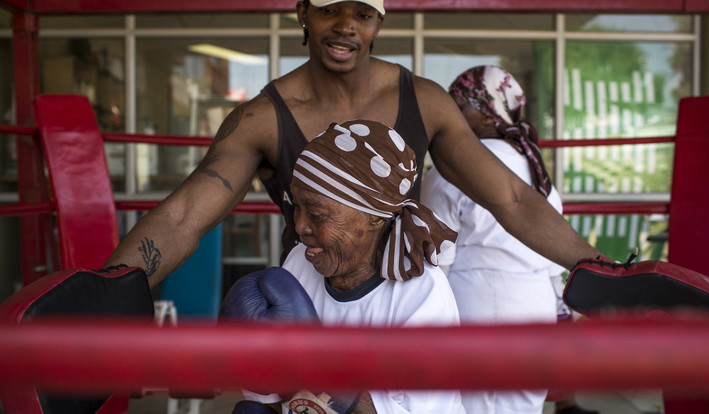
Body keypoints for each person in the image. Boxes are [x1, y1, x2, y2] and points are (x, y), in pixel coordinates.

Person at [101, 0, 601, 287]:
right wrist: (107, 292)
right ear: (302, 14)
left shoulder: (423, 101)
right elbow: (183, 215)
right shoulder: (263, 118)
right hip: (312, 301)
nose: (346, 25)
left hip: (407, 302)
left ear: (378, 23)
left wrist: (597, 268)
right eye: (330, 10)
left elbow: (510, 197)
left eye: (362, 13)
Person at [221, 119, 465, 413]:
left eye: (317, 214)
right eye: (297, 208)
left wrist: (322, 374)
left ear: (375, 217)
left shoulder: (422, 293)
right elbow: (282, 395)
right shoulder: (300, 263)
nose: (299, 226)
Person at [420, 65, 597, 414]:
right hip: (535, 306)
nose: (451, 114)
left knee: (470, 406)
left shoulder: (451, 167)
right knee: (522, 406)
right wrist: (560, 311)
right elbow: (552, 257)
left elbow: (436, 258)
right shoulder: (534, 165)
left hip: (474, 302)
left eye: (461, 104)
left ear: (488, 113)